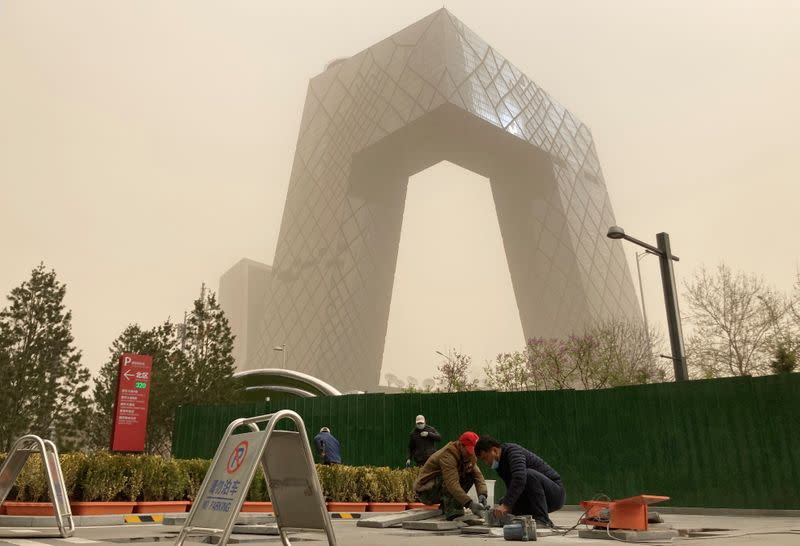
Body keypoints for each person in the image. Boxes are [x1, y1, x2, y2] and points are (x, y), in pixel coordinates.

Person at [474, 435, 564, 528]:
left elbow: (519, 478)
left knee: (528, 475)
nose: (486, 462)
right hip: (536, 498)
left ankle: (543, 520)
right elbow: (512, 489)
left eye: (485, 458)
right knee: (503, 502)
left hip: (555, 494)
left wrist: (506, 505)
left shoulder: (513, 451)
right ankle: (533, 520)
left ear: (495, 450)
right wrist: (504, 505)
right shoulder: (499, 465)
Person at [413, 431, 489, 521]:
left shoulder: (470, 456)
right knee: (449, 478)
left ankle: (449, 505)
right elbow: (451, 483)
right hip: (426, 491)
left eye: (473, 452)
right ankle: (453, 512)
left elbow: (478, 476)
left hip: (439, 487)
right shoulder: (447, 455)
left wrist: (482, 495)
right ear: (461, 445)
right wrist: (470, 504)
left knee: (470, 475)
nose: (471, 454)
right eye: (469, 452)